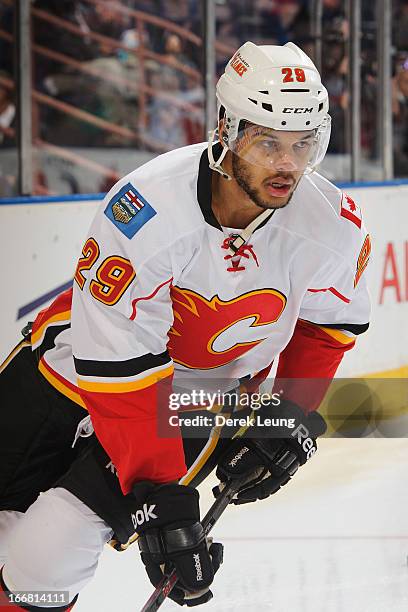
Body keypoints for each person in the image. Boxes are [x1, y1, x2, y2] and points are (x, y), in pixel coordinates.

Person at [0, 41, 371, 609]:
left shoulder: (331, 226)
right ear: (227, 129)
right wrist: (158, 493)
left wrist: (288, 414)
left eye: (303, 144)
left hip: (197, 399)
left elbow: (327, 328)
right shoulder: (147, 207)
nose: (287, 165)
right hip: (75, 366)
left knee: (43, 560)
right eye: (268, 141)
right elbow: (120, 367)